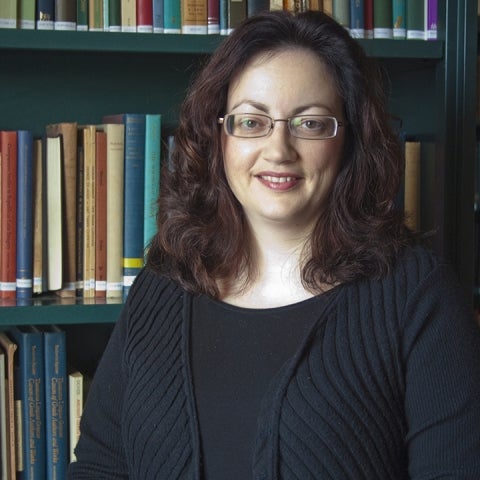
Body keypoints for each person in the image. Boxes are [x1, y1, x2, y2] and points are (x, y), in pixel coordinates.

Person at [68, 9, 480, 480]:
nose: (279, 149)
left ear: (349, 140)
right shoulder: (163, 282)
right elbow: (101, 465)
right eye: (251, 122)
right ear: (218, 135)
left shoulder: (417, 297)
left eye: (310, 123)